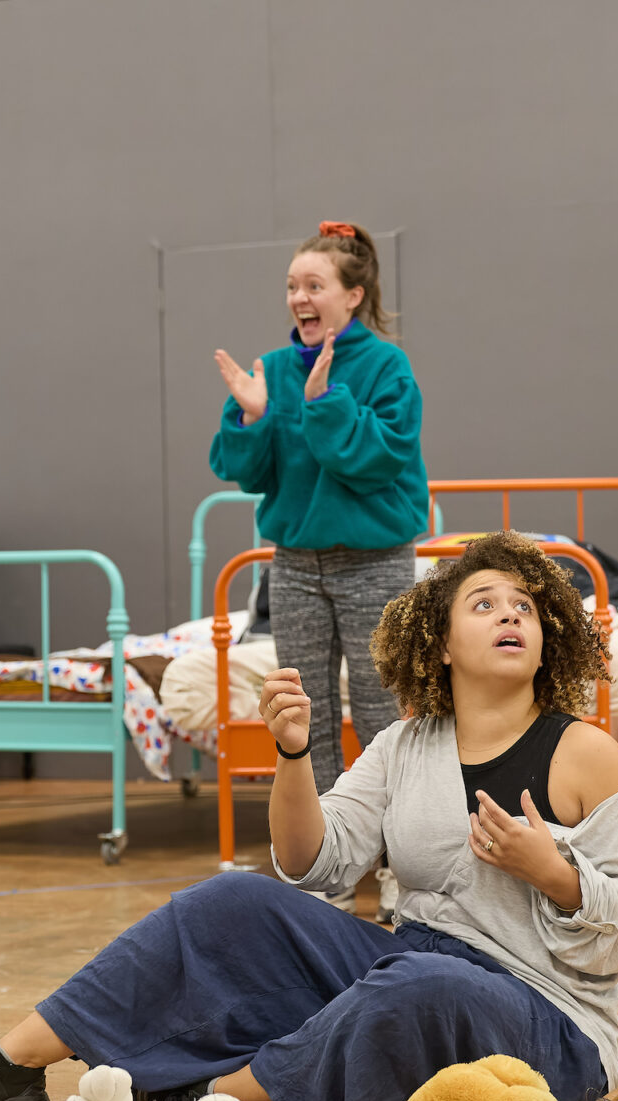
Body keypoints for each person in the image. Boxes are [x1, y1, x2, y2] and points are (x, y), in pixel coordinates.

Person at [0, 532, 618, 1101]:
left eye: (526, 606)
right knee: (231, 900)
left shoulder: (586, 752)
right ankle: (7, 1070)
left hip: (549, 1018)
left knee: (421, 983)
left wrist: (558, 876)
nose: (511, 614)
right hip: (412, 963)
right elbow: (310, 863)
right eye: (484, 603)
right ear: (438, 643)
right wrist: (294, 753)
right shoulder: (409, 744)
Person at [209, 222, 425, 918]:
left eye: (314, 285)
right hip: (296, 567)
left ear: (352, 295)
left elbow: (378, 462)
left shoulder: (387, 368)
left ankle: (400, 868)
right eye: (292, 287)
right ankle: (325, 872)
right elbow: (245, 472)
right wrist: (249, 419)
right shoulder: (273, 366)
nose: (299, 298)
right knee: (306, 719)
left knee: (385, 714)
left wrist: (327, 402)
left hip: (375, 564)